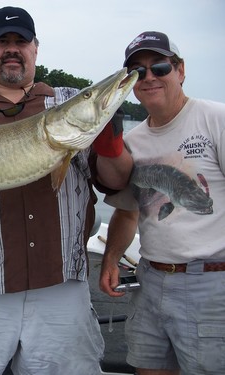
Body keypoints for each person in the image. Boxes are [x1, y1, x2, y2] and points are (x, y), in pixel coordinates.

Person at [0, 7, 133, 375]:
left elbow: (116, 181)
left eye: (21, 42)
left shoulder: (68, 100)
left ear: (35, 49)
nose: (12, 49)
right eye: (3, 42)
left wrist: (109, 136)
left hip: (60, 287)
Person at [99, 31, 225, 375]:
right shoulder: (133, 141)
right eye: (139, 72)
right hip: (150, 280)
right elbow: (127, 212)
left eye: (159, 67)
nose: (150, 77)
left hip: (211, 284)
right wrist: (110, 258)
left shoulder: (216, 119)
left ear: (180, 70)